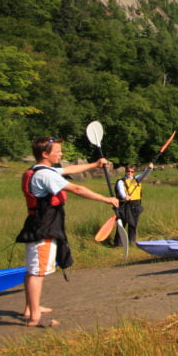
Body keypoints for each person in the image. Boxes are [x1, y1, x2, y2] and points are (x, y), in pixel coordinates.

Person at [17, 136, 119, 328]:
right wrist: (106, 199)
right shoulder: (45, 175)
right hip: (43, 229)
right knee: (37, 272)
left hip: (39, 225)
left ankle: (31, 307)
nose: (61, 154)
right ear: (45, 154)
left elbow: (69, 170)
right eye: (58, 151)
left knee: (34, 270)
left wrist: (94, 164)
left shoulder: (41, 170)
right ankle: (35, 317)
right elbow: (77, 188)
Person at [114, 161, 154, 246]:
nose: (129, 173)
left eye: (131, 171)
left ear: (133, 172)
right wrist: (125, 197)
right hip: (124, 205)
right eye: (128, 171)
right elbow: (120, 190)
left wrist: (149, 168)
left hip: (135, 205)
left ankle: (132, 242)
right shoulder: (121, 181)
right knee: (122, 225)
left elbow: (144, 174)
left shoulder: (137, 179)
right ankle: (118, 244)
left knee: (133, 225)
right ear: (125, 171)